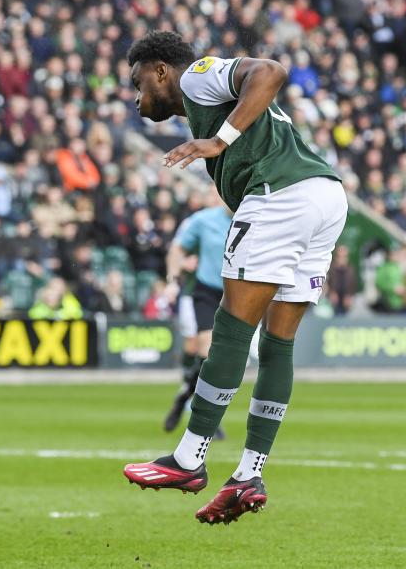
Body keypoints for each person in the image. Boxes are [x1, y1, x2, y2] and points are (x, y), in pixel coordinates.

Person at [121, 32, 347, 525]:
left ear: (161, 70)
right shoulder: (212, 100)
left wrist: (218, 140)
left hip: (281, 194)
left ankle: (188, 458)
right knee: (278, 345)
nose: (138, 101)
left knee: (230, 329)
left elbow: (270, 71)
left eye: (138, 84)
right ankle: (249, 472)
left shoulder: (198, 78)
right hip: (325, 196)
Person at [161, 189, 232, 436]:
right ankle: (206, 416)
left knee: (223, 362)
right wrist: (172, 279)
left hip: (237, 295)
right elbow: (177, 249)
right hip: (207, 293)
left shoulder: (257, 220)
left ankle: (184, 397)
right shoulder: (203, 220)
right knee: (207, 352)